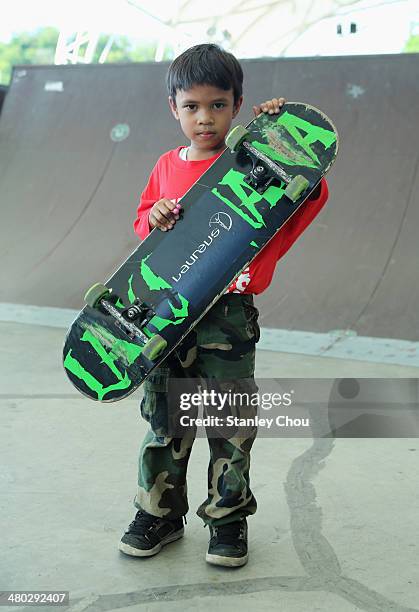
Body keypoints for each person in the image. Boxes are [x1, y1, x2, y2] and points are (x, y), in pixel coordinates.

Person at [119, 43, 328, 568]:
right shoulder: (167, 164)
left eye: (217, 105)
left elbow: (309, 191)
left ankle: (228, 523)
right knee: (166, 418)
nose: (204, 118)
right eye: (191, 106)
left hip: (228, 318)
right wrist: (157, 217)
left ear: (237, 105)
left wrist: (278, 136)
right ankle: (159, 513)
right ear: (173, 107)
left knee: (230, 422)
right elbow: (144, 225)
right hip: (169, 317)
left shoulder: (249, 162)